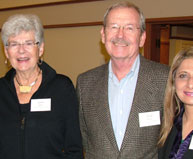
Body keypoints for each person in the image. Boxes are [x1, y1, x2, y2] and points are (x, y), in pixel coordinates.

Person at [76, 2, 169, 159]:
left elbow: (173, 139)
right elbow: (85, 138)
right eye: (113, 27)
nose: (120, 35)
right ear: (103, 35)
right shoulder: (85, 83)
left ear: (142, 38)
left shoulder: (165, 78)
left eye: (129, 28)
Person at [0, 14, 84, 159]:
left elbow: (74, 149)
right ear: (6, 52)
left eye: (28, 43)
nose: (21, 50)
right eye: (14, 44)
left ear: (40, 49)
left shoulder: (62, 88)